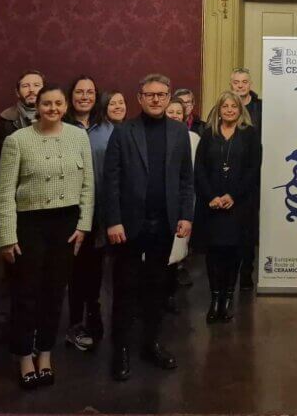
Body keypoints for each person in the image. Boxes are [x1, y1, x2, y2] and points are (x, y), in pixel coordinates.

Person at [0, 84, 94, 389]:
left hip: (65, 224)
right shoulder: (17, 140)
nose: (53, 108)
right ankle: (25, 355)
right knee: (25, 293)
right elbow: (4, 193)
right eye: (47, 103)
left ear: (65, 106)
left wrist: (83, 226)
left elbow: (88, 185)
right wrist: (7, 236)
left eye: (58, 103)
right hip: (30, 224)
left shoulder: (78, 137)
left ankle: (46, 353)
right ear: (37, 107)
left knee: (54, 292)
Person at [102, 74, 194, 382]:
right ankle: (121, 350)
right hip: (128, 226)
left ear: (169, 97)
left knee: (157, 289)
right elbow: (111, 181)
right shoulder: (123, 132)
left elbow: (185, 178)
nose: (156, 99)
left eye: (162, 94)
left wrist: (186, 215)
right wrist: (113, 220)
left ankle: (150, 344)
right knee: (125, 290)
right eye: (150, 94)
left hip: (164, 223)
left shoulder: (179, 132)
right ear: (140, 98)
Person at [194, 92, 261, 323]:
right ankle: (215, 299)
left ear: (240, 110)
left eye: (234, 106)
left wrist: (233, 195)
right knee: (214, 253)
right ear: (219, 110)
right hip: (212, 206)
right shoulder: (208, 134)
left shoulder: (250, 134)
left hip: (239, 206)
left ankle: (228, 299)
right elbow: (199, 169)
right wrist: (211, 196)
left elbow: (254, 169)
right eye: (225, 106)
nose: (230, 110)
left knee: (234, 252)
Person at [64, 76, 115, 351]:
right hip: (70, 211)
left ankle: (94, 317)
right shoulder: (61, 126)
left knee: (94, 270)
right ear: (70, 95)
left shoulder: (108, 128)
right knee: (73, 272)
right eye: (79, 91)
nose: (84, 96)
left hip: (100, 211)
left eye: (90, 92)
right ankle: (73, 324)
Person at [229, 67, 262, 290]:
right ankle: (230, 272)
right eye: (236, 82)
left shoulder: (261, 108)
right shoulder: (224, 107)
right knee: (231, 226)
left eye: (244, 82)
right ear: (231, 84)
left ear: (250, 84)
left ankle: (247, 272)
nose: (240, 86)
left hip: (255, 174)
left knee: (249, 226)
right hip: (229, 175)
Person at [0, 70, 44, 185]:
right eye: (25, 86)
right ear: (17, 92)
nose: (31, 89)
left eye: (37, 85)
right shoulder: (0, 122)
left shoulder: (58, 120)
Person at [166, 98, 201, 292]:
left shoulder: (194, 138)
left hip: (186, 197)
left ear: (185, 116)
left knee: (179, 245)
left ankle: (174, 283)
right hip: (163, 200)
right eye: (170, 111)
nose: (174, 116)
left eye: (178, 112)